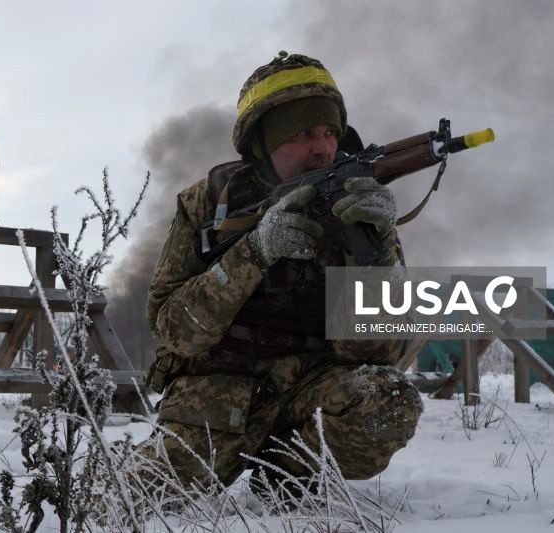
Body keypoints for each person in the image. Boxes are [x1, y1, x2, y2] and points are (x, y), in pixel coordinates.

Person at [143, 52, 423, 491]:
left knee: (389, 398)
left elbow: (376, 354)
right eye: (302, 133)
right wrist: (254, 252)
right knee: (133, 499)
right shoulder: (209, 203)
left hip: (311, 391)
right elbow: (172, 330)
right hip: (215, 398)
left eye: (330, 132)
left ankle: (287, 473)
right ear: (262, 142)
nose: (322, 148)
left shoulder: (358, 204)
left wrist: (377, 247)